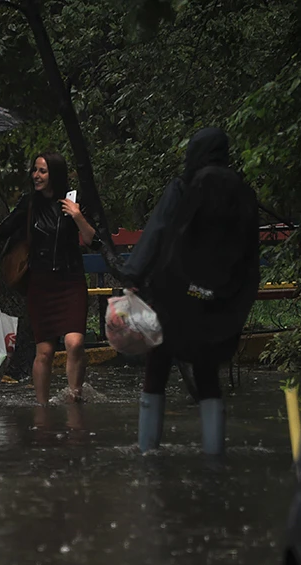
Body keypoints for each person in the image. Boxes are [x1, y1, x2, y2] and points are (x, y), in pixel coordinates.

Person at [117, 127, 260, 454]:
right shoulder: (243, 193)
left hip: (175, 295)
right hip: (217, 301)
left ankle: (147, 452)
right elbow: (250, 254)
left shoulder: (184, 188)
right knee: (207, 373)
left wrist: (132, 274)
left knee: (157, 366)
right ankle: (214, 457)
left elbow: (158, 230)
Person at [0, 152, 100, 404]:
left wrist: (77, 215)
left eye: (42, 171)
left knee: (74, 343)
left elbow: (94, 240)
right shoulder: (29, 203)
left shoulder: (73, 201)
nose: (36, 176)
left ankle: (74, 399)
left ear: (55, 174)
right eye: (35, 170)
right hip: (41, 285)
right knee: (45, 351)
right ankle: (42, 408)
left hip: (71, 281)